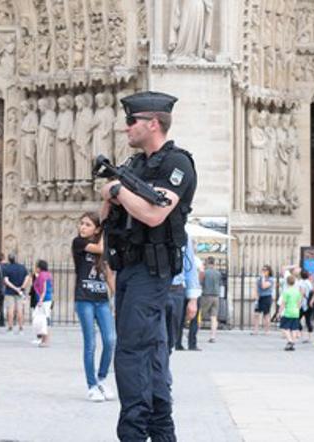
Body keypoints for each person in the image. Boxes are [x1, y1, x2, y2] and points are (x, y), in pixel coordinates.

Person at [99, 91, 196, 441]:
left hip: (153, 272)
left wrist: (117, 192)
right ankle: (161, 432)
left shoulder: (178, 165)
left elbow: (154, 215)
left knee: (130, 351)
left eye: (131, 121)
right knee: (152, 351)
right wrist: (112, 195)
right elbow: (103, 218)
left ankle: (133, 433)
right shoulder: (133, 166)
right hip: (127, 268)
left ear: (153, 123)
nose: (125, 128)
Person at [71, 212, 116, 402]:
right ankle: (91, 385)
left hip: (101, 299)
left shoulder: (102, 252)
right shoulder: (79, 243)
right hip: (84, 299)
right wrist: (107, 226)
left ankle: (101, 378)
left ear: (96, 229)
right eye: (81, 223)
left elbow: (108, 275)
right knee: (90, 343)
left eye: (87, 224)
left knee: (110, 339)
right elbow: (99, 248)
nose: (82, 227)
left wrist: (115, 298)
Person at [181, 238, 203, 351]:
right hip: (193, 290)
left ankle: (178, 342)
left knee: (179, 319)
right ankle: (192, 343)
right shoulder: (197, 260)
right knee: (194, 320)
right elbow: (200, 275)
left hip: (181, 289)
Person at [2, 253, 30, 333]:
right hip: (20, 291)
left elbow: (6, 281)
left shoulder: (7, 268)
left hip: (9, 292)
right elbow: (27, 277)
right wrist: (22, 287)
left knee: (10, 309)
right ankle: (21, 327)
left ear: (9, 259)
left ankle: (10, 327)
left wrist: (15, 288)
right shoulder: (22, 267)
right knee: (20, 310)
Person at [199, 257, 221, 343]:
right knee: (214, 317)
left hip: (206, 295)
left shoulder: (205, 272)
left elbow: (200, 283)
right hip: (216, 296)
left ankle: (194, 333)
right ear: (214, 263)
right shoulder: (218, 273)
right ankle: (213, 336)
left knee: (199, 314)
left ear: (207, 263)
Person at [278, 274, 303, 351]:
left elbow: (283, 304)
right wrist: (297, 309)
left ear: (287, 282)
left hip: (288, 312)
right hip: (296, 312)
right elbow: (299, 303)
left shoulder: (286, 292)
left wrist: (279, 312)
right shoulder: (298, 292)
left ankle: (290, 341)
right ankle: (293, 343)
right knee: (294, 328)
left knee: (285, 327)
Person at [32, 259, 53, 347]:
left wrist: (40, 300)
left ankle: (45, 339)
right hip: (47, 299)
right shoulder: (48, 274)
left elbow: (43, 289)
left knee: (42, 319)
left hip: (43, 300)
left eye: (36, 266)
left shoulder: (42, 276)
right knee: (43, 318)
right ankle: (43, 339)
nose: (35, 268)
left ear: (39, 267)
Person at [252, 265, 274, 334]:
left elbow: (264, 286)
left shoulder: (270, 279)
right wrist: (255, 295)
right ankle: (255, 330)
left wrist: (263, 278)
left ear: (269, 271)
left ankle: (267, 331)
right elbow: (256, 286)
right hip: (259, 297)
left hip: (266, 297)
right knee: (256, 314)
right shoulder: (259, 278)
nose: (263, 271)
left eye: (265, 270)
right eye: (263, 270)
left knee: (266, 315)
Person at [298, 269, 314, 342]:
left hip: (303, 304)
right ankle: (309, 337)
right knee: (308, 320)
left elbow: (301, 294)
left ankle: (302, 335)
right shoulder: (309, 283)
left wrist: (298, 303)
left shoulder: (301, 283)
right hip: (309, 303)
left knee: (297, 319)